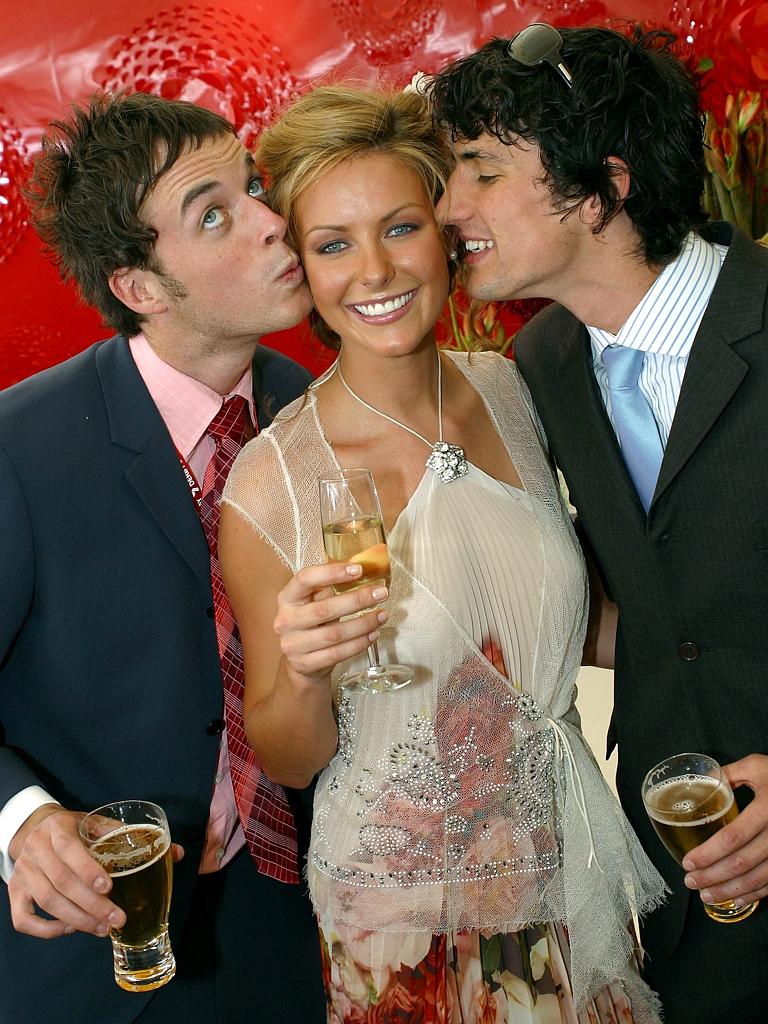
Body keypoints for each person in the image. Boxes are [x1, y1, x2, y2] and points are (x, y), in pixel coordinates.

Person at [218, 83, 666, 1024]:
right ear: (304, 266)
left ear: (446, 236)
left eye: (400, 228)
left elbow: (566, 622)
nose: (374, 270)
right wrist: (304, 673)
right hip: (407, 921)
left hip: (568, 866)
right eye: (334, 244)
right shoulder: (274, 483)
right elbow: (289, 760)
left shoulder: (513, 389)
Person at [430, 24, 768, 1024]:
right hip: (691, 885)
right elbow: (644, 609)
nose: (450, 208)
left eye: (482, 174)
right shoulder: (543, 364)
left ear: (603, 186)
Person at [0, 92, 326, 1023]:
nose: (274, 222)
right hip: (90, 951)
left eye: (255, 187)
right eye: (213, 213)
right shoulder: (22, 449)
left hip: (285, 929)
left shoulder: (317, 414)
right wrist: (24, 826)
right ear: (140, 287)